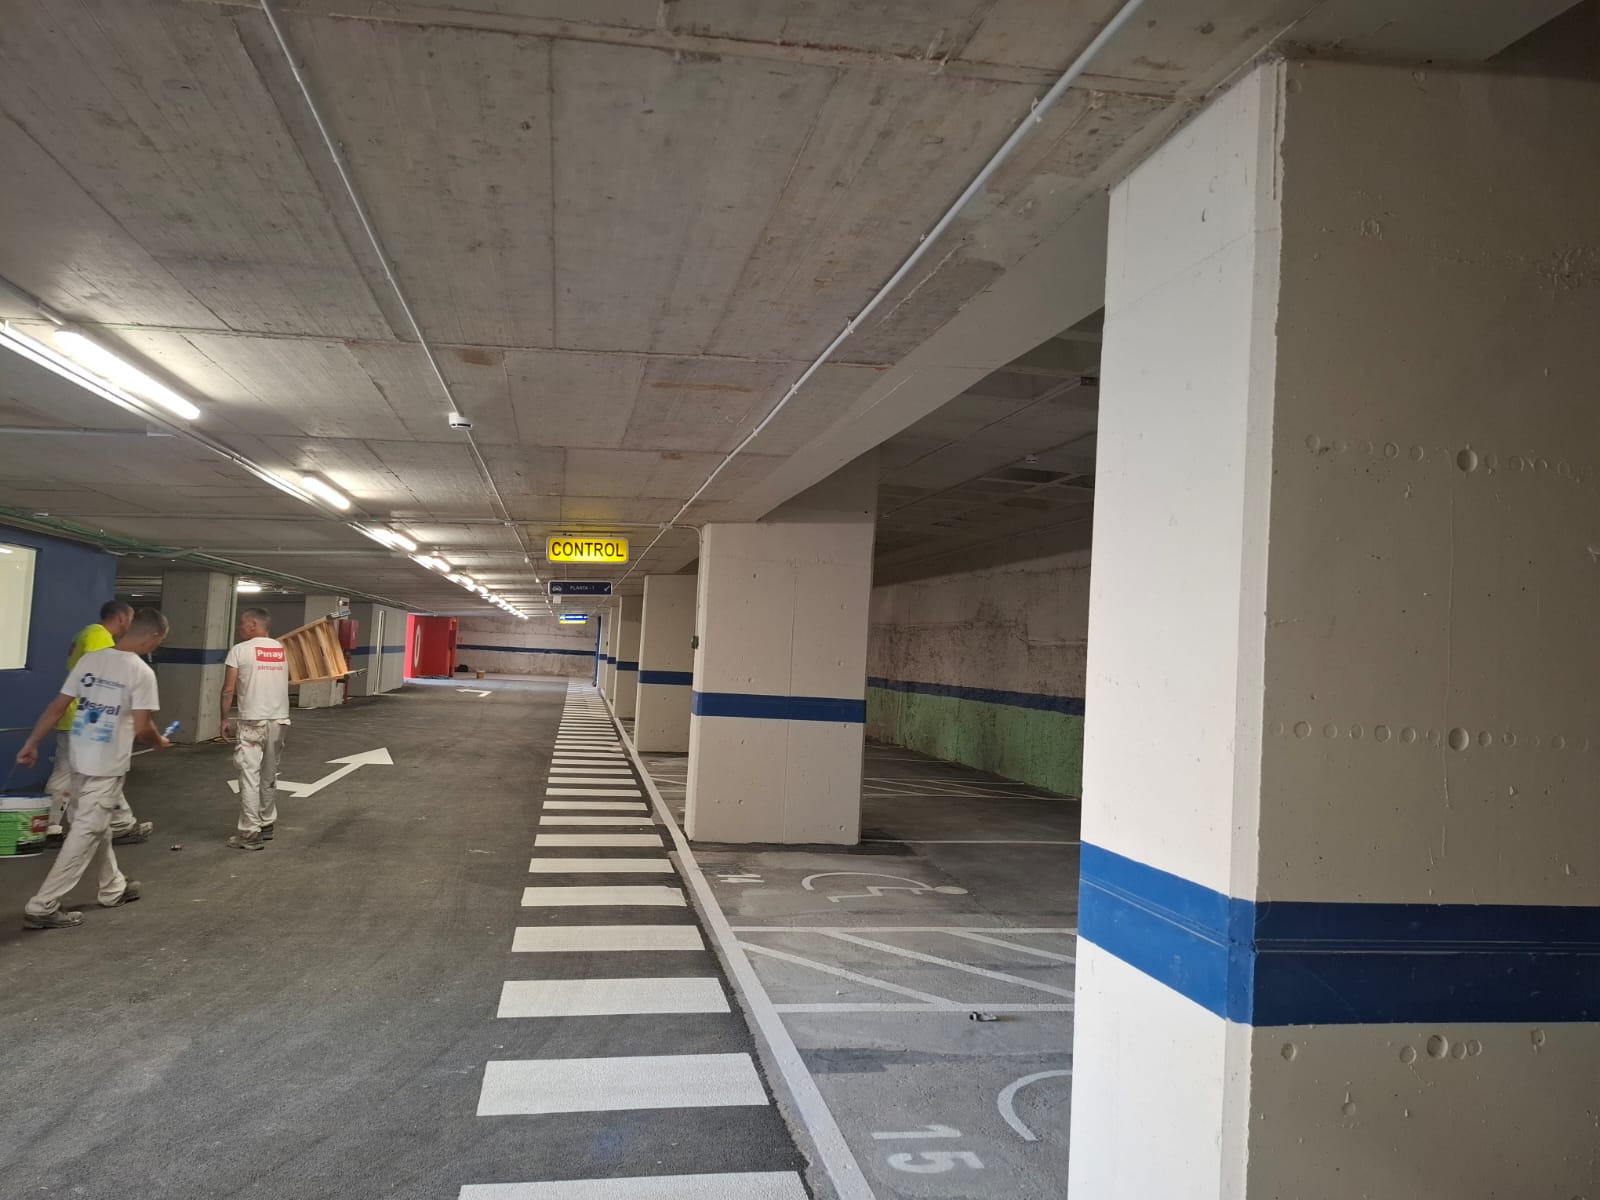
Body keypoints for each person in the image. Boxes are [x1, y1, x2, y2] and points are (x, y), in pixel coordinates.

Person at [13, 608, 172, 930]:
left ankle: (112, 888)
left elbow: (57, 707)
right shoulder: (141, 672)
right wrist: (160, 742)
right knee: (86, 832)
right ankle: (43, 905)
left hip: (78, 759)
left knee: (96, 826)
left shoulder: (91, 660)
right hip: (106, 767)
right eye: (159, 642)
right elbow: (143, 726)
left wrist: (32, 742)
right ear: (153, 637)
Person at [43, 600, 155, 848]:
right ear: (122, 618)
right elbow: (105, 677)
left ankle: (50, 827)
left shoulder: (84, 633)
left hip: (73, 717)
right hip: (89, 719)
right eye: (131, 618)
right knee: (107, 772)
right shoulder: (99, 637)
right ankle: (121, 824)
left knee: (65, 773)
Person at [220, 608, 290, 851]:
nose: (239, 627)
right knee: (269, 773)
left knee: (249, 776)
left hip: (252, 721)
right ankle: (267, 822)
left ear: (252, 625)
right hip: (279, 720)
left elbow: (229, 689)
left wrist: (224, 718)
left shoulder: (240, 650)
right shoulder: (280, 649)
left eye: (242, 623)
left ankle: (250, 832)